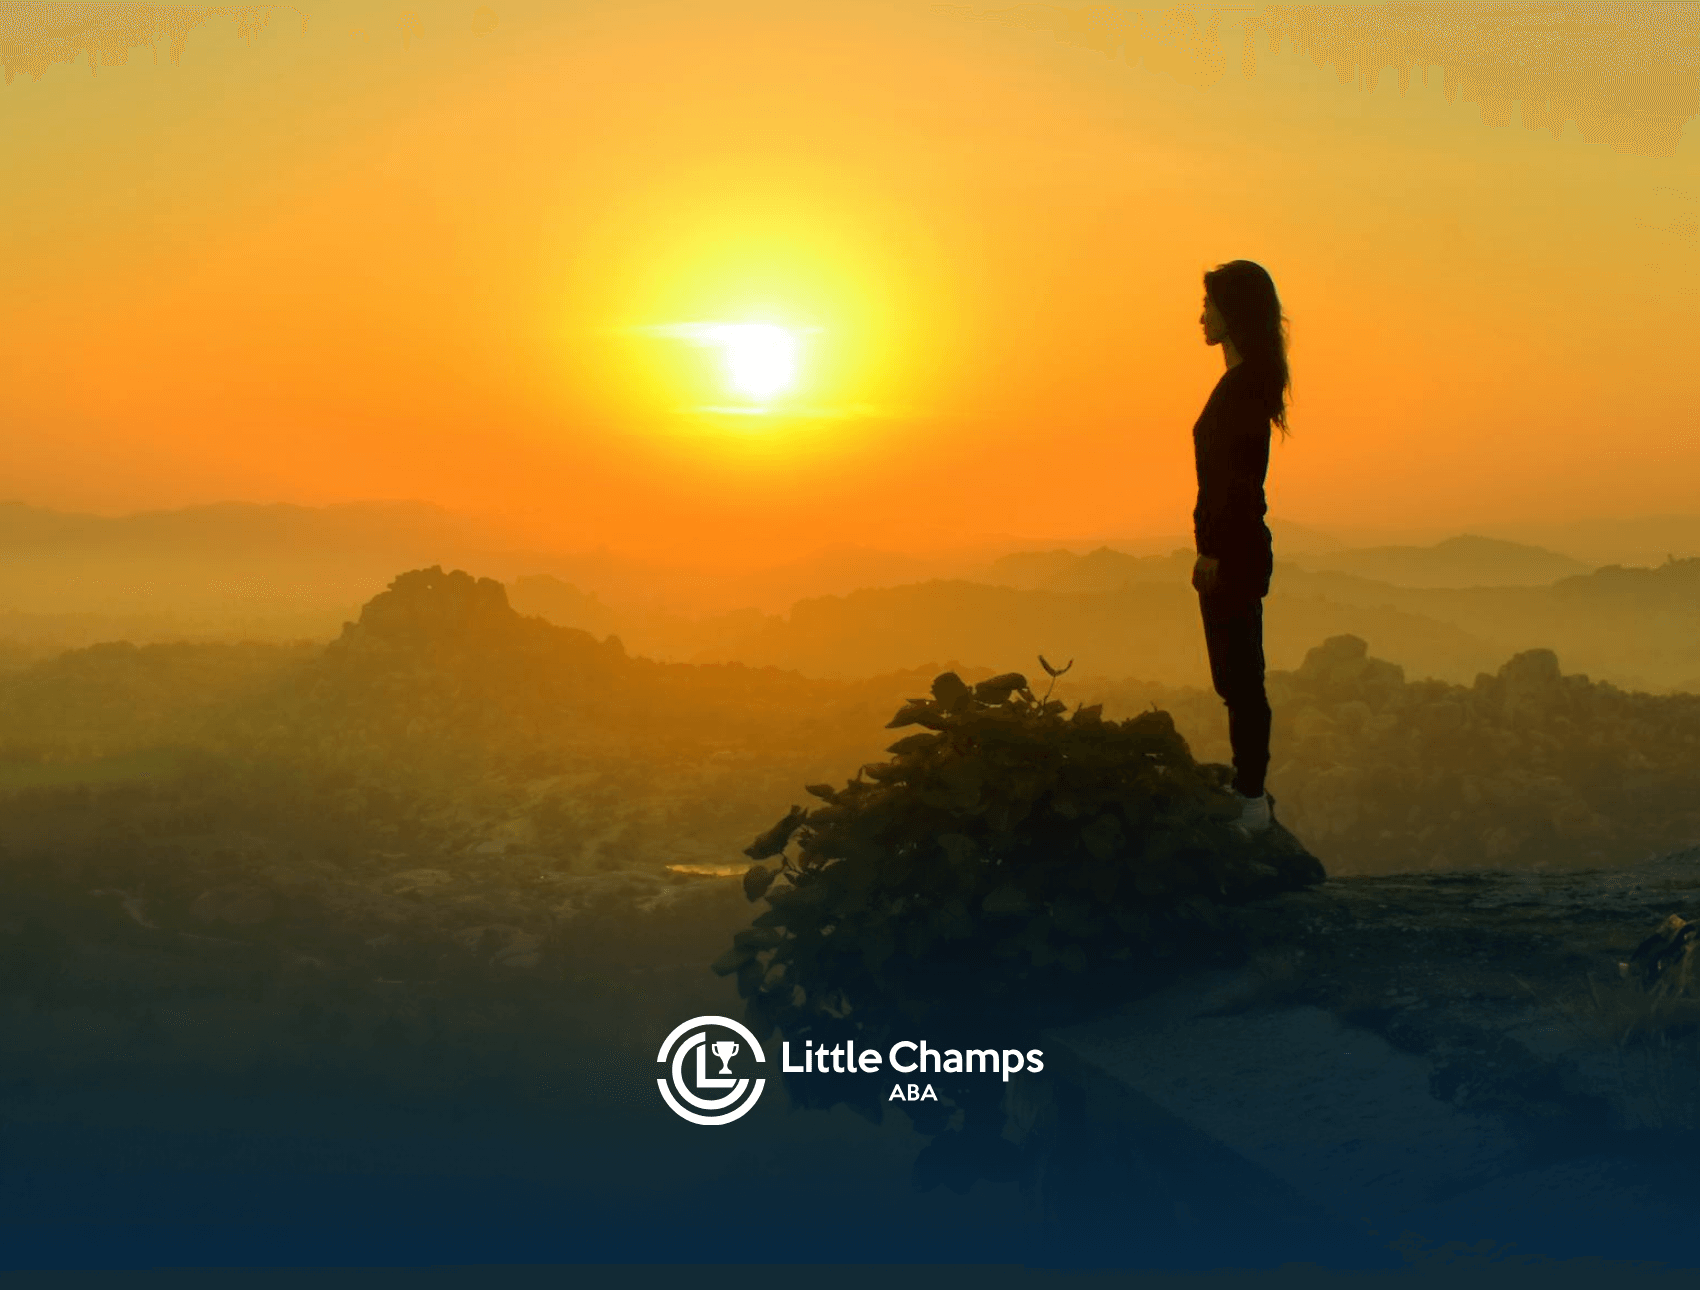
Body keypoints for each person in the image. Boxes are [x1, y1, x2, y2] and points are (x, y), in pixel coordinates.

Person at [1191, 260, 1292, 834]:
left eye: (1209, 304)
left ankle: (1251, 798)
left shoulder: (1244, 386)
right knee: (1235, 677)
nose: (1201, 316)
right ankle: (1247, 789)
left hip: (1233, 548)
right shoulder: (1246, 381)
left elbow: (1235, 482)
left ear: (1233, 311)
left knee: (1240, 678)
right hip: (1237, 545)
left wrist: (1212, 550)